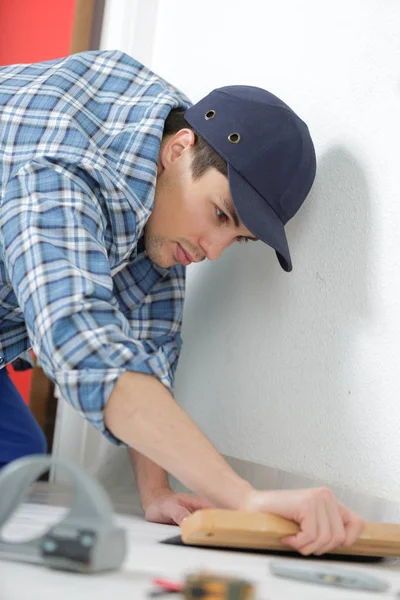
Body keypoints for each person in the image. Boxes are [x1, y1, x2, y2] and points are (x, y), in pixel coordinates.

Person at [0, 50, 364, 556]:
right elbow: (80, 341)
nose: (212, 252)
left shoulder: (164, 178)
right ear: (180, 149)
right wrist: (245, 496)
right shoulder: (66, 164)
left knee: (16, 457)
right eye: (220, 215)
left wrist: (156, 492)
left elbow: (145, 341)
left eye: (236, 239)